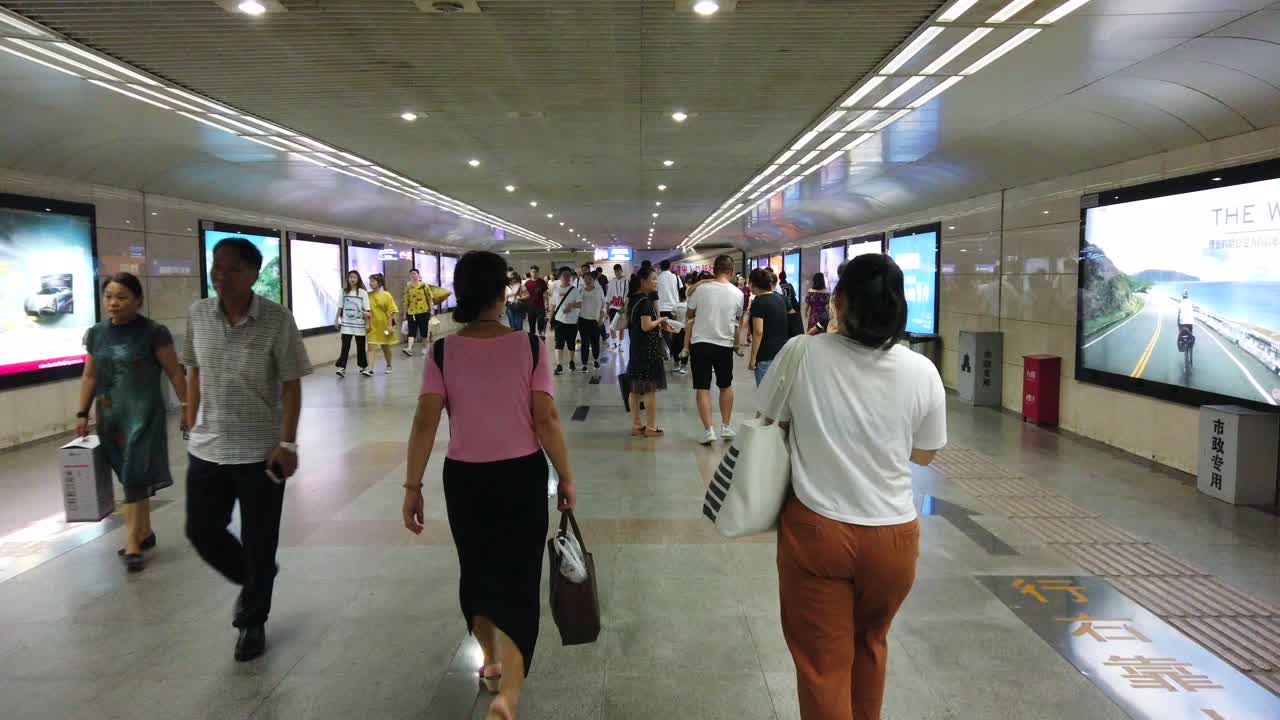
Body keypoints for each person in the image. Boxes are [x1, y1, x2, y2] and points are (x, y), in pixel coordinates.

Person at [761, 253, 945, 720]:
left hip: (818, 532)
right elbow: (924, 454)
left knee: (823, 667)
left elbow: (769, 423)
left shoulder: (804, 353)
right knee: (871, 645)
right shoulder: (922, 371)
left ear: (837, 301)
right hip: (894, 538)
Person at [403, 250, 576, 720]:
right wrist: (566, 475)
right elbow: (547, 418)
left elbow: (424, 422)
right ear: (503, 294)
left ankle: (492, 664)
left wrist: (411, 486)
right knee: (520, 578)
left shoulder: (442, 350)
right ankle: (510, 696)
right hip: (521, 474)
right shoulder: (531, 348)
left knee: (476, 570)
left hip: (465, 478)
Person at [182, 237, 312, 662]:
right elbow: (194, 371)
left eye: (232, 267)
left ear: (254, 273)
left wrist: (288, 443)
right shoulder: (198, 315)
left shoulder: (276, 320)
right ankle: (255, 575)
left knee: (260, 538)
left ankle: (252, 621)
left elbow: (292, 384)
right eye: (216, 266)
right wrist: (190, 411)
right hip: (208, 445)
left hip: (260, 451)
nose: (220, 275)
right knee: (201, 530)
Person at [76, 273, 188, 573]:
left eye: (122, 296)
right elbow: (89, 375)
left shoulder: (153, 332)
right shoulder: (96, 334)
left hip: (145, 416)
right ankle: (146, 531)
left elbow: (175, 372)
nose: (113, 302)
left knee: (134, 473)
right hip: (110, 417)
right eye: (109, 296)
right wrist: (81, 412)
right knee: (129, 477)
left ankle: (133, 543)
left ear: (138, 300)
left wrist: (189, 406)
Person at [684, 255, 744, 445]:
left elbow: (689, 313)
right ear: (731, 272)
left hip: (700, 342)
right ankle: (726, 426)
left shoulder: (701, 290)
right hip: (724, 345)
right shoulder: (738, 293)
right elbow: (738, 319)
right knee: (725, 385)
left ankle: (708, 430)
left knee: (702, 387)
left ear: (714, 270)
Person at [626, 267, 672, 437]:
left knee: (636, 389)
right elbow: (646, 326)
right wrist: (661, 319)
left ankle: (636, 424)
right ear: (643, 282)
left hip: (636, 348)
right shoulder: (645, 302)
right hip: (648, 350)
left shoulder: (633, 299)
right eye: (653, 279)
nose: (656, 281)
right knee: (650, 389)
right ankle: (651, 427)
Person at [747, 268, 789, 386]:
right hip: (781, 351)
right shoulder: (779, 298)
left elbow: (758, 331)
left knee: (764, 392)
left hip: (765, 354)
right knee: (776, 390)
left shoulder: (758, 301)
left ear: (753, 284)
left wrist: (753, 358)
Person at [335, 271, 372, 377]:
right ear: (347, 279)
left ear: (358, 279)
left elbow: (367, 310)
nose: (352, 279)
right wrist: (336, 319)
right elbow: (340, 307)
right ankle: (341, 367)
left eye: (355, 277)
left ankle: (363, 366)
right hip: (346, 324)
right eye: (351, 277)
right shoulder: (343, 292)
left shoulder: (362, 292)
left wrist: (368, 324)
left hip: (359, 324)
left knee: (360, 346)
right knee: (345, 346)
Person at [656, 260, 688, 375]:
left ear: (660, 268)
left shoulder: (658, 278)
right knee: (677, 333)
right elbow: (680, 289)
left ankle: (669, 354)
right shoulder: (675, 277)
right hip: (674, 308)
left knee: (664, 333)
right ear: (669, 267)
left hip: (661, 308)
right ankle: (677, 356)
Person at [548, 267, 582, 375]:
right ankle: (559, 365)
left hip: (572, 321)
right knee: (559, 343)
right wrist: (550, 317)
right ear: (560, 277)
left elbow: (580, 304)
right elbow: (553, 305)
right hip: (559, 320)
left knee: (571, 343)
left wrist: (572, 305)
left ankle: (571, 361)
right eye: (565, 275)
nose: (567, 277)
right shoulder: (556, 290)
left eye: (569, 275)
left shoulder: (575, 290)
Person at [366, 273, 399, 374]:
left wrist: (389, 325)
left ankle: (389, 365)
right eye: (370, 281)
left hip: (385, 327)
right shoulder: (367, 295)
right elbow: (366, 310)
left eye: (373, 281)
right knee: (371, 347)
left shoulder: (386, 295)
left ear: (379, 283)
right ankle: (370, 369)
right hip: (372, 327)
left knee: (385, 346)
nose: (370, 283)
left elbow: (391, 311)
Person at [577, 270, 607, 374]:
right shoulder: (581, 290)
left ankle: (595, 359)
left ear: (593, 279)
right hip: (583, 320)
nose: (587, 281)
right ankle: (584, 364)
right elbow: (578, 304)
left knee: (595, 342)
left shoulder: (599, 290)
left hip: (595, 321)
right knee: (584, 343)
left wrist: (601, 318)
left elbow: (603, 305)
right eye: (585, 279)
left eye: (589, 279)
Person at [403, 268, 434, 357]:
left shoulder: (424, 286)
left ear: (418, 275)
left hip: (423, 312)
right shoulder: (408, 288)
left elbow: (429, 298)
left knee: (424, 331)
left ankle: (425, 347)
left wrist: (431, 310)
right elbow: (405, 301)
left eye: (415, 273)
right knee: (411, 331)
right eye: (411, 274)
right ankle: (409, 348)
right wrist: (404, 314)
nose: (413, 275)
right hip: (411, 313)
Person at [607, 264, 628, 350]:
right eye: (615, 271)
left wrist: (626, 306)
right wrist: (607, 308)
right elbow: (608, 295)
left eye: (618, 271)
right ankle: (615, 344)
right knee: (612, 326)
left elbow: (628, 295)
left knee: (622, 327)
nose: (617, 273)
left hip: (622, 307)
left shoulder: (626, 281)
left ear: (621, 270)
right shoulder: (612, 282)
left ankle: (621, 344)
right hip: (613, 307)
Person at [525, 266, 549, 340]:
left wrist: (547, 304)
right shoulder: (527, 283)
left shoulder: (542, 282)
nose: (534, 273)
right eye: (532, 272)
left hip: (540, 306)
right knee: (531, 322)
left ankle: (541, 336)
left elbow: (545, 294)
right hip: (530, 306)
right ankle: (532, 337)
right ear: (530, 272)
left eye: (535, 272)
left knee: (541, 321)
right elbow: (525, 294)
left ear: (538, 272)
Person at [778, 270, 804, 338]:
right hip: (791, 307)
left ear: (779, 277)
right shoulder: (789, 285)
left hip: (782, 308)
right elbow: (793, 296)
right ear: (785, 277)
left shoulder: (778, 287)